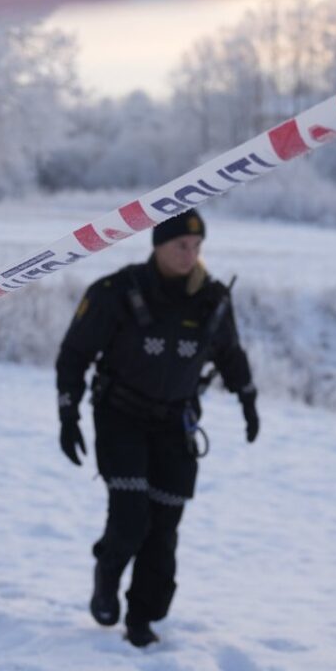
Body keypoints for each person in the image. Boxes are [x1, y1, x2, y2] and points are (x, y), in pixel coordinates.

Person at [55, 209, 258, 648]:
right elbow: (74, 353)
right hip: (121, 417)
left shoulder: (213, 299)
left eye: (197, 246)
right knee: (130, 519)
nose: (190, 254)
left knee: (163, 529)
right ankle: (107, 574)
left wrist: (248, 398)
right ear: (158, 245)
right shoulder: (116, 292)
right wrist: (67, 413)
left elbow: (230, 353)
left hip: (175, 423)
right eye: (180, 246)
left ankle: (142, 618)